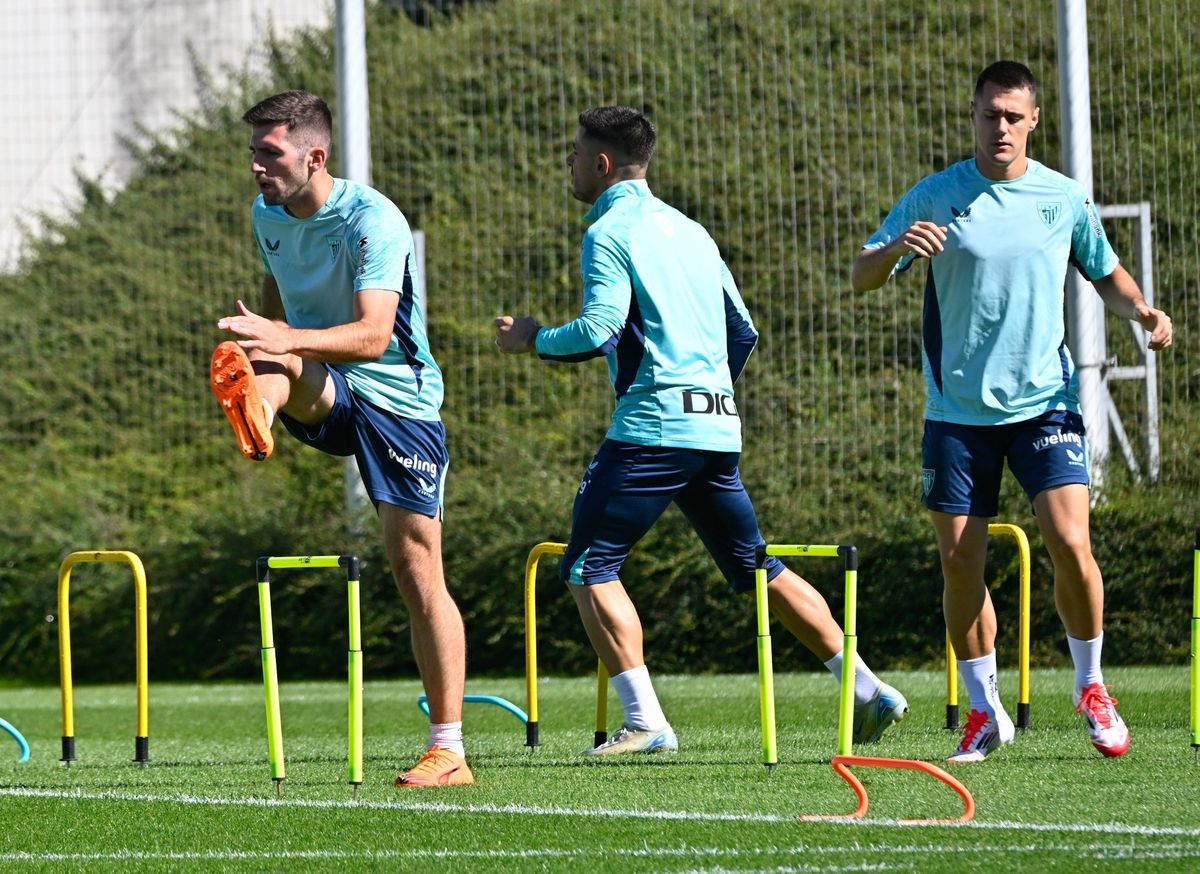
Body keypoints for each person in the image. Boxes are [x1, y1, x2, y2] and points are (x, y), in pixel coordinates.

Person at [495, 106, 907, 755]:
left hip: (652, 427)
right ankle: (866, 688)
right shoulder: (693, 232)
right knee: (755, 566)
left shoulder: (608, 233)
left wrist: (532, 339)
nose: (568, 164)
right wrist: (707, 392)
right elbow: (742, 331)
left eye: (574, 153)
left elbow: (598, 328)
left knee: (586, 565)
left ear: (602, 164)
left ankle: (646, 722)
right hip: (715, 426)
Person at [851, 61, 1173, 763]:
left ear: (1033, 121)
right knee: (960, 562)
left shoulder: (1063, 198)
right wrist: (899, 249)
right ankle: (983, 710)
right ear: (972, 116)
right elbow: (861, 274)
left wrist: (1140, 308)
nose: (1000, 127)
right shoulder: (936, 197)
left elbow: (1105, 272)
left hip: (1044, 406)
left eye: (1012, 116)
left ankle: (1091, 688)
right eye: (989, 114)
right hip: (956, 413)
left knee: (1069, 541)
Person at [210, 90, 472, 787]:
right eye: (253, 154)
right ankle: (257, 415)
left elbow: (374, 333)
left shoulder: (372, 220)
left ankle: (449, 751)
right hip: (324, 384)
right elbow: (277, 296)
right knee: (270, 360)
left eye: (270, 153)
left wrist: (285, 338)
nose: (257, 168)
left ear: (314, 155)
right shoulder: (266, 213)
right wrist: (267, 340)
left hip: (399, 404)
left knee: (417, 574)